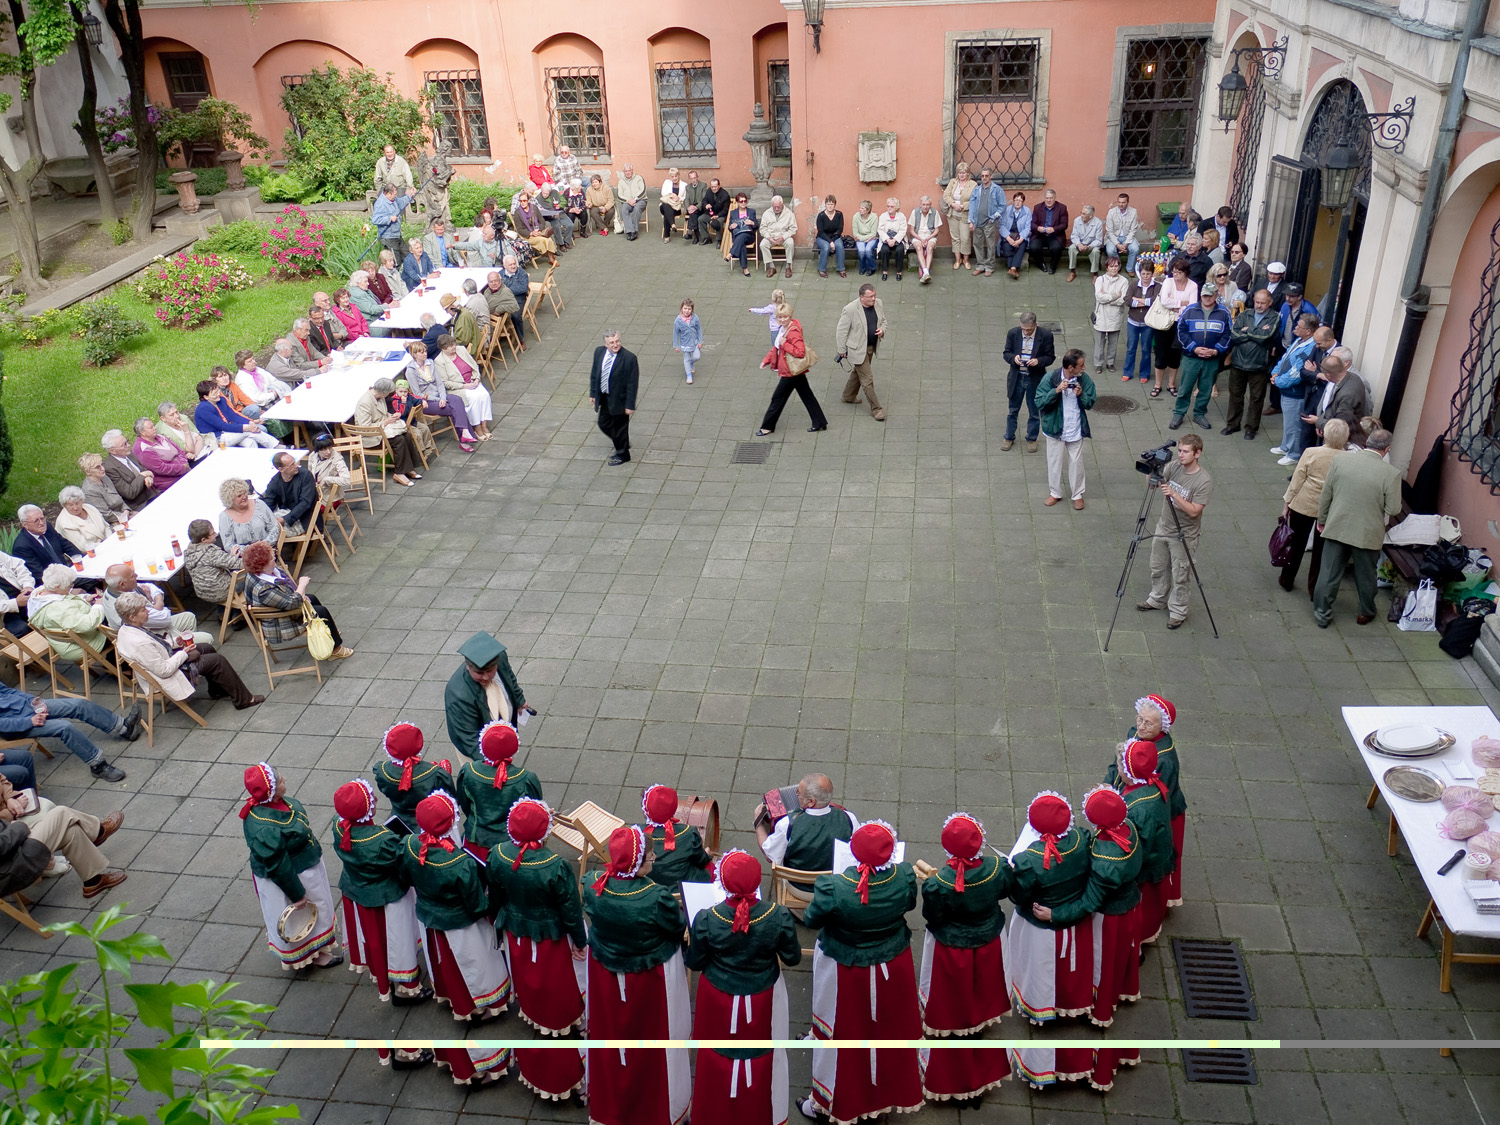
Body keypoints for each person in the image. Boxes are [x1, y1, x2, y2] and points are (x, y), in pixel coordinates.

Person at [800, 821, 923, 1123]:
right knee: (889, 1029)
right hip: (891, 963)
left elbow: (812, 918)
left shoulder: (834, 888)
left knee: (841, 1032)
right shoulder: (904, 876)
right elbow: (908, 903)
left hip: (846, 968)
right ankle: (887, 1092)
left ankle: (827, 1103)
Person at [584, 825, 691, 1125]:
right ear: (635, 863)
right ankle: (662, 1108)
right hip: (649, 976)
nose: (654, 859)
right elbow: (675, 926)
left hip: (606, 972)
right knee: (659, 1035)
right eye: (650, 857)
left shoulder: (594, 884)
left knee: (611, 1035)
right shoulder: (655, 897)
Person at [686, 849, 801, 1125]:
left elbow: (696, 960)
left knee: (715, 1057)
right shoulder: (778, 915)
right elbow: (792, 957)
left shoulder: (707, 918)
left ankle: (710, 1113)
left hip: (719, 996)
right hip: (764, 997)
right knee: (764, 1057)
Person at [487, 797, 587, 1101]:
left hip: (517, 932)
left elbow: (495, 894)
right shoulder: (554, 866)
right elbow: (570, 908)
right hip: (550, 937)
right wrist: (580, 941)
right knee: (557, 982)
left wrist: (497, 922)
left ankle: (536, 1016)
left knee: (528, 978)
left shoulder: (498, 854)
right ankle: (562, 1027)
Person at [918, 812, 1013, 1104]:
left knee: (951, 1000)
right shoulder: (997, 867)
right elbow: (1006, 890)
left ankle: (953, 1052)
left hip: (951, 948)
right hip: (987, 942)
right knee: (982, 992)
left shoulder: (938, 884)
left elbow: (932, 916)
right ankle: (977, 1032)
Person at [1030, 786, 1142, 1029]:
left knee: (1102, 963)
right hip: (1131, 904)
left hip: (1109, 917)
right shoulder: (1128, 827)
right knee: (1119, 957)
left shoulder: (1105, 862)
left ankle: (1098, 1009)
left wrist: (1056, 914)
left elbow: (1090, 902)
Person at [403, 791, 513, 1028]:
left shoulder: (411, 845)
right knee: (475, 964)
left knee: (446, 963)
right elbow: (475, 905)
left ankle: (455, 998)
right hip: (462, 924)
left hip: (431, 917)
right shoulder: (460, 863)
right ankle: (484, 1004)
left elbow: (406, 876)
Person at [330, 779, 428, 1003]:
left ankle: (383, 972)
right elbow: (401, 863)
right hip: (386, 898)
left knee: (373, 939)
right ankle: (405, 988)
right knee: (395, 940)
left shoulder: (339, 824)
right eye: (370, 799)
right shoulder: (382, 840)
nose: (374, 801)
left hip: (356, 891)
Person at [1005, 792, 1093, 1035]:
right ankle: (1072, 1003)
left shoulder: (1027, 861)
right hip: (1076, 921)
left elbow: (1019, 895)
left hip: (1039, 926)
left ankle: (1039, 1009)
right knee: (1070, 970)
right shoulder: (1081, 838)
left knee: (1039, 970)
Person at [240, 763, 342, 969]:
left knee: (315, 909)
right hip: (291, 877)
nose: (284, 779)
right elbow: (278, 865)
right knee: (300, 916)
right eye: (279, 781)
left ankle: (316, 950)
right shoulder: (263, 828)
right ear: (270, 790)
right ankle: (309, 955)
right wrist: (297, 894)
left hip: (303, 867)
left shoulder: (278, 804)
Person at [1314, 428, 1402, 628]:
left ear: (1367, 442)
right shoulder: (1391, 473)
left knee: (1328, 573)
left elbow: (1326, 494)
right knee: (1366, 575)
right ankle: (1365, 612)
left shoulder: (1340, 460)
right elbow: (1393, 508)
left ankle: (1322, 615)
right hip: (1367, 532)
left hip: (1337, 524)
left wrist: (1322, 519)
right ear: (1386, 449)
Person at [114, 592, 261, 709]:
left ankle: (217, 690)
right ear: (132, 617)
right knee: (218, 660)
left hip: (167, 660)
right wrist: (183, 653)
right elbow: (164, 671)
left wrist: (174, 644)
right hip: (169, 676)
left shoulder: (128, 627)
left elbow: (156, 648)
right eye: (143, 610)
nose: (148, 611)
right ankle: (245, 700)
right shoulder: (139, 643)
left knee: (205, 647)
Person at [1135, 434, 1212, 629]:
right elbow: (1151, 487)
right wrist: (1152, 470)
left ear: (1198, 453)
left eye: (1186, 452)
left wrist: (1174, 494)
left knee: (1181, 574)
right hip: (1164, 526)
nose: (1181, 455)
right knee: (1158, 566)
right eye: (1179, 450)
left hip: (1184, 534)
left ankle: (1178, 611)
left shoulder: (1203, 481)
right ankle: (1157, 599)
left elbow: (1195, 511)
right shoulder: (1174, 466)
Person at [0, 680, 136, 782]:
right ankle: (98, 766)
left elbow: (7, 691)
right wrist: (29, 721)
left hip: (28, 708)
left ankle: (123, 728)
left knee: (79, 705)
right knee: (65, 727)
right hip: (17, 726)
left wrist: (32, 701)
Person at [240, 540, 354, 659]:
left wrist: (301, 596)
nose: (275, 557)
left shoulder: (258, 572)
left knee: (312, 598)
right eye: (272, 557)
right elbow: (291, 603)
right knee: (320, 611)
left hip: (279, 607)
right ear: (263, 565)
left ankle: (328, 631)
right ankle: (335, 649)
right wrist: (302, 586)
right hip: (280, 623)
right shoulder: (263, 589)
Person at [1109, 740, 1173, 947]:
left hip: (1146, 865)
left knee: (1141, 908)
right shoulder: (1151, 786)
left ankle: (1135, 944)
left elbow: (1136, 845)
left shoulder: (1138, 807)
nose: (1117, 770)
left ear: (1128, 772)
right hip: (1156, 855)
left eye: (1119, 766)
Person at [0, 800, 126, 899]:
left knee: (71, 832)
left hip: (12, 849)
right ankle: (99, 831)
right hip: (11, 865)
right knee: (62, 813)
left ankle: (93, 882)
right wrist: (17, 827)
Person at [443, 631, 531, 760]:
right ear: (468, 667)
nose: (486, 677)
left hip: (500, 735)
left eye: (490, 671)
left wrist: (518, 699)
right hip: (477, 751)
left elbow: (509, 677)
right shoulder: (459, 695)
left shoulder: (500, 657)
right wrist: (492, 764)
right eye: (479, 673)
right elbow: (469, 740)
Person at [754, 772, 856, 881]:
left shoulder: (787, 824)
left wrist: (758, 823)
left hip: (798, 886)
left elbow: (769, 855)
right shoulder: (849, 818)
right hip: (834, 883)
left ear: (811, 802)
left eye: (798, 793)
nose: (796, 793)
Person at [456, 721, 541, 850]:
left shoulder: (468, 772)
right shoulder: (527, 779)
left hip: (476, 842)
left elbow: (465, 805)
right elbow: (534, 812)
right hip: (511, 845)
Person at [1036, 349, 1097, 511]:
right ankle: (1055, 492)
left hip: (1075, 428)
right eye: (1081, 365)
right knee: (1054, 462)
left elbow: (1090, 403)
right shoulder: (1051, 378)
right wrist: (1055, 391)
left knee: (1077, 463)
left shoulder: (1084, 380)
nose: (1083, 368)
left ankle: (1077, 495)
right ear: (1071, 367)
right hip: (1054, 428)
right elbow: (1039, 402)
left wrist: (1081, 394)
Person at [756, 302, 828, 437]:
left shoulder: (792, 332)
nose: (782, 319)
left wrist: (785, 344)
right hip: (794, 370)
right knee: (807, 395)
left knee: (777, 398)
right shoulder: (783, 328)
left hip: (790, 371)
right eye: (779, 317)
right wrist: (766, 360)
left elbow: (799, 352)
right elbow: (776, 348)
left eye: (785, 317)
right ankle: (819, 421)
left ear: (790, 316)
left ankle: (767, 427)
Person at [1170, 281, 1232, 431]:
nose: (1207, 298)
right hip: (1192, 358)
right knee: (1185, 388)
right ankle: (1179, 413)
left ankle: (1199, 414)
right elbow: (1181, 331)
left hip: (1212, 359)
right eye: (1205, 295)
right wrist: (1194, 348)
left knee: (1205, 389)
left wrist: (1216, 350)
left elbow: (1228, 335)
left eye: (1210, 295)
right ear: (1201, 295)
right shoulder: (1189, 310)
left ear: (1216, 295)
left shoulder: (1224, 313)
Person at [101, 562, 208, 643]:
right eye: (133, 576)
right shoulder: (129, 608)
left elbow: (150, 587)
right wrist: (156, 604)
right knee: (207, 638)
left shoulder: (113, 589)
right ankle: (185, 651)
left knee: (188, 617)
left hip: (153, 625)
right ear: (122, 584)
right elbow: (164, 619)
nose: (137, 576)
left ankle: (190, 650)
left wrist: (157, 603)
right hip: (154, 637)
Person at [373, 720, 456, 825]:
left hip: (398, 818)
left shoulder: (382, 770)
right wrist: (444, 774)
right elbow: (450, 798)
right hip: (430, 819)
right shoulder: (435, 774)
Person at [1268, 311, 1323, 466]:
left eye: (1298, 326)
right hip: (1286, 390)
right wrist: (1275, 372)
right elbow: (1285, 358)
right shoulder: (1299, 340)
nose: (1294, 328)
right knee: (1288, 421)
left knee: (1294, 425)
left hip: (1295, 393)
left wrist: (1278, 381)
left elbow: (1296, 373)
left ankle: (1293, 454)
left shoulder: (1309, 347)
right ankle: (1285, 446)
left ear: (1308, 331)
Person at [28, 564, 110, 666]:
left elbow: (67, 603)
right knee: (115, 627)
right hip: (83, 645)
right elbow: (87, 625)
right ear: (57, 587)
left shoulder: (39, 594)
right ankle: (122, 669)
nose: (72, 586)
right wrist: (98, 606)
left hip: (68, 643)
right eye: (69, 585)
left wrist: (85, 599)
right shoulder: (58, 609)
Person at [639, 783, 714, 894]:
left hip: (648, 888)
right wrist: (707, 855)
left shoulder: (636, 834)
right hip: (683, 888)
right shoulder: (689, 832)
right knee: (710, 867)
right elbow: (701, 860)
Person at [1224, 289, 1278, 438]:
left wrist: (1247, 330)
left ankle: (1251, 428)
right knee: (1235, 395)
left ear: (1270, 303)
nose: (1259, 305)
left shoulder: (1274, 317)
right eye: (1256, 302)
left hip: (1259, 364)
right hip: (1238, 362)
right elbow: (1234, 335)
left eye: (1262, 303)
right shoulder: (1244, 314)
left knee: (1256, 398)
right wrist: (1258, 331)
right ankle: (1232, 425)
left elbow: (1266, 337)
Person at [406, 341, 480, 450]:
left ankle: (464, 433)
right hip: (427, 401)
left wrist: (443, 397)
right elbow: (417, 394)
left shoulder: (430, 363)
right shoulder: (410, 371)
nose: (425, 354)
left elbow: (440, 383)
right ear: (415, 354)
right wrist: (437, 399)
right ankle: (464, 437)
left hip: (440, 395)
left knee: (457, 400)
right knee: (454, 409)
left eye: (425, 351)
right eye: (421, 352)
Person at [354, 377, 423, 487]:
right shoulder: (365, 403)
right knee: (399, 440)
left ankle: (408, 468)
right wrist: (385, 422)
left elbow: (384, 414)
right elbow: (365, 427)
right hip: (371, 436)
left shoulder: (379, 397)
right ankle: (399, 473)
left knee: (407, 435)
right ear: (383, 392)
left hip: (383, 430)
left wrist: (392, 416)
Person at [1002, 311, 1055, 452]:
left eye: (1029, 330)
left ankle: (1031, 439)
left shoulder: (1045, 336)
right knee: (1013, 410)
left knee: (1034, 411)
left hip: (1034, 379)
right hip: (1017, 377)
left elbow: (1050, 357)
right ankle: (1008, 437)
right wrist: (1013, 358)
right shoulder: (1013, 334)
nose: (1025, 332)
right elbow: (1006, 353)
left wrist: (1038, 361)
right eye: (1023, 329)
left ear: (1035, 325)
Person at [835, 283, 888, 423]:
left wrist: (882, 330)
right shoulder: (850, 309)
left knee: (858, 372)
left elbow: (883, 321)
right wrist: (841, 350)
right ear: (862, 297)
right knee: (867, 380)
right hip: (857, 349)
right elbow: (841, 331)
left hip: (870, 347)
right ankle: (877, 409)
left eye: (875, 295)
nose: (874, 299)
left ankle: (848, 395)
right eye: (870, 297)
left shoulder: (879, 304)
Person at [588, 329, 640, 466]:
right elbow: (595, 374)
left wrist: (630, 405)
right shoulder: (599, 352)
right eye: (611, 343)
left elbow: (632, 384)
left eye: (617, 341)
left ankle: (623, 455)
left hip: (620, 400)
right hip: (604, 397)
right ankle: (622, 442)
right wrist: (593, 393)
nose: (615, 345)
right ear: (605, 344)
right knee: (603, 423)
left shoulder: (629, 358)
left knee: (620, 428)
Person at [11, 506, 95, 588]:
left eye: (42, 518)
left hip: (67, 570)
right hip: (54, 584)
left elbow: (65, 544)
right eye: (36, 521)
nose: (41, 523)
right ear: (25, 524)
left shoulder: (47, 527)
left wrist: (83, 560)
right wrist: (67, 590)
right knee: (94, 580)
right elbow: (39, 575)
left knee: (95, 573)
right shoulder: (22, 547)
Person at [433, 334, 495, 441]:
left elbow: (474, 365)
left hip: (472, 381)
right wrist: (464, 386)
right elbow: (445, 382)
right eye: (450, 346)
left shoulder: (461, 350)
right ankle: (477, 426)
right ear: (443, 349)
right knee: (474, 398)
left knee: (485, 395)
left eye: (453, 344)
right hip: (459, 388)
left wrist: (476, 378)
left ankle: (484, 425)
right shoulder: (439, 361)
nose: (453, 347)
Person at [1153, 258, 1198, 398]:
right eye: (1174, 272)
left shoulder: (1193, 285)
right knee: (1160, 354)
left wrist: (1175, 305)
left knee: (1175, 355)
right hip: (1164, 323)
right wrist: (1181, 303)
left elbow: (1191, 305)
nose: (1175, 274)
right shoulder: (1168, 281)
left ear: (1186, 273)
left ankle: (1171, 384)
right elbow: (1164, 301)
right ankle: (1157, 384)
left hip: (1181, 324)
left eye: (1179, 272)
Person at [1304, 353, 1371, 438]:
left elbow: (1340, 426)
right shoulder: (1353, 377)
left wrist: (1318, 421)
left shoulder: (1347, 395)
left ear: (1328, 375)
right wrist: (1321, 423)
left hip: (1342, 438)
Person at [182, 519, 241, 605]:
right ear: (203, 540)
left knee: (219, 575)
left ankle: (224, 614)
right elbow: (240, 564)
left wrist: (230, 558)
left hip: (204, 592)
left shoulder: (189, 552)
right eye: (212, 533)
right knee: (248, 576)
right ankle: (242, 612)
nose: (216, 534)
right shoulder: (211, 552)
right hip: (222, 593)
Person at [261, 451, 319, 536]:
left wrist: (284, 519)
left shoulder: (305, 476)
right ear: (281, 469)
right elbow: (269, 502)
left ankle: (270, 548)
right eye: (291, 465)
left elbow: (305, 503)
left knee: (270, 531)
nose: (296, 466)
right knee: (260, 526)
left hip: (304, 518)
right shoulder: (276, 481)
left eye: (294, 463)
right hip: (285, 513)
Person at [216, 478, 280, 555]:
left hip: (267, 551)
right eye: (239, 496)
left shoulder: (259, 504)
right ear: (229, 500)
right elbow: (228, 545)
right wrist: (250, 550)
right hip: (244, 557)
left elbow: (274, 527)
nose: (244, 497)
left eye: (244, 493)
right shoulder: (224, 517)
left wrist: (264, 544)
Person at [1121, 260, 1158, 386]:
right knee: (1131, 348)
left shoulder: (1157, 286)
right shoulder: (1133, 285)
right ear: (1139, 274)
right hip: (1133, 321)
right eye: (1143, 274)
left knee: (1146, 349)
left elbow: (1156, 301)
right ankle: (1127, 372)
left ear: (1152, 274)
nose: (1145, 277)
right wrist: (1145, 302)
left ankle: (1144, 374)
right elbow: (1127, 300)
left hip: (1148, 323)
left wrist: (1137, 300)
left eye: (1148, 274)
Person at [131, 417, 190, 490]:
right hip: (169, 482)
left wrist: (184, 463)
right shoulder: (143, 449)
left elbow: (179, 451)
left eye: (153, 425)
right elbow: (161, 469)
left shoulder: (161, 437)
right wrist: (182, 468)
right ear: (143, 433)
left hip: (184, 470)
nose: (154, 428)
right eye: (151, 427)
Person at [1092, 256, 1128, 373]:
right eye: (1111, 266)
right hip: (1101, 315)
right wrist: (1115, 295)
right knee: (1099, 342)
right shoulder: (1100, 280)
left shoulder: (1124, 281)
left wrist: (1107, 296)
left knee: (1113, 342)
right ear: (1106, 267)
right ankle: (1098, 363)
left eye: (1116, 266)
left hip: (1115, 315)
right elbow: (1099, 297)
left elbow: (1123, 299)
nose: (1114, 268)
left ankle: (1110, 363)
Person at [100, 429, 156, 505]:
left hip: (152, 494)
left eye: (127, 441)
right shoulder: (109, 468)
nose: (128, 445)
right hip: (139, 505)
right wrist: (142, 476)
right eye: (124, 445)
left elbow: (142, 469)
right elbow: (129, 493)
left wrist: (148, 477)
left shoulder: (129, 454)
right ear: (113, 451)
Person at [967, 169, 1005, 276]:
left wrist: (993, 217)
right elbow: (972, 205)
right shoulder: (976, 190)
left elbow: (1002, 206)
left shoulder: (997, 190)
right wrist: (970, 221)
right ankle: (980, 265)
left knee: (990, 245)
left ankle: (989, 266)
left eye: (986, 175)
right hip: (977, 222)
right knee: (977, 244)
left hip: (989, 222)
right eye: (982, 176)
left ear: (990, 176)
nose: (984, 178)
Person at [78, 453, 131, 527]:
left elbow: (119, 498)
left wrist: (126, 511)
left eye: (102, 465)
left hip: (124, 514)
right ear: (88, 472)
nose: (103, 468)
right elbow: (106, 515)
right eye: (97, 467)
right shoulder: (89, 490)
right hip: (113, 523)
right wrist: (125, 517)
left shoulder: (104, 478)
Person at [54, 487, 110, 553]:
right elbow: (83, 547)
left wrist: (110, 540)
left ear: (82, 501)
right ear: (64, 505)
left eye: (77, 503)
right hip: (91, 553)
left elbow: (106, 526)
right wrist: (106, 546)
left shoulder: (89, 508)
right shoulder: (64, 523)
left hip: (108, 544)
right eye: (70, 505)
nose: (75, 508)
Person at [941, 163, 975, 271]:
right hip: (952, 215)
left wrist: (963, 206)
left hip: (965, 215)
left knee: (965, 238)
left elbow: (975, 200)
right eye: (960, 172)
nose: (961, 175)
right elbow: (945, 195)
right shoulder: (953, 182)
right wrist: (953, 204)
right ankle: (957, 260)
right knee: (955, 238)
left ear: (968, 173)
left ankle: (966, 260)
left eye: (964, 173)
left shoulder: (973, 184)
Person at [1029, 188, 1068, 275]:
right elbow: (1032, 223)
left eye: (1051, 198)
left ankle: (1053, 266)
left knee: (1056, 248)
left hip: (1055, 235)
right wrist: (1038, 228)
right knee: (1033, 247)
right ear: (1044, 198)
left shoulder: (1062, 208)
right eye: (1047, 198)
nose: (1049, 200)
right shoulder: (1038, 207)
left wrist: (1054, 229)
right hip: (1040, 234)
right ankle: (1041, 264)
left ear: (1055, 198)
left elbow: (1064, 224)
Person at [760, 194, 798, 278]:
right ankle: (772, 266)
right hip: (771, 236)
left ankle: (788, 266)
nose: (776, 209)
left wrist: (784, 237)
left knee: (790, 243)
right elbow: (762, 229)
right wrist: (768, 237)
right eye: (774, 207)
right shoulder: (767, 213)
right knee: (763, 244)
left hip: (784, 236)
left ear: (782, 204)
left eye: (778, 207)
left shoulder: (789, 213)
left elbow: (793, 229)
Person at [512, 190, 558, 257]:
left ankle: (551, 257)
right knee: (542, 240)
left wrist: (539, 230)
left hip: (537, 231)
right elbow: (519, 229)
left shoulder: (534, 208)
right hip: (527, 236)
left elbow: (542, 220)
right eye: (520, 201)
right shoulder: (517, 212)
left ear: (528, 201)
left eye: (524, 200)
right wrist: (531, 233)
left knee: (548, 239)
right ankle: (551, 258)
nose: (522, 203)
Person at [372, 182, 413, 258]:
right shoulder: (380, 204)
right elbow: (375, 220)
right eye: (394, 194)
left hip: (397, 234)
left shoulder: (394, 200)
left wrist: (410, 196)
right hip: (388, 237)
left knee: (408, 256)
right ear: (388, 194)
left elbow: (401, 203)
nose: (396, 196)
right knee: (396, 260)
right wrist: (389, 218)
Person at [0, 548, 34, 637]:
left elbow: (18, 565)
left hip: (25, 596)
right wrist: (16, 603)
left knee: (47, 612)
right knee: (22, 630)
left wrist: (27, 585)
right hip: (5, 614)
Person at [497, 255, 530, 346]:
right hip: (503, 299)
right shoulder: (500, 274)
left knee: (516, 316)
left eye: (514, 264)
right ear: (505, 266)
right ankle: (496, 336)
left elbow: (523, 289)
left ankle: (520, 339)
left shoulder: (522, 273)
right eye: (510, 265)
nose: (513, 266)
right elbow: (497, 288)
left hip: (517, 299)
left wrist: (506, 290)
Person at [908, 195, 942, 283]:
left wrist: (928, 238)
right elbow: (911, 230)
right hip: (917, 236)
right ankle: (926, 272)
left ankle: (924, 271)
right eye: (923, 204)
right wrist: (921, 239)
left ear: (930, 205)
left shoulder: (935, 212)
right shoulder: (914, 212)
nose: (925, 207)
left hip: (930, 235)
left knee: (929, 248)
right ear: (920, 204)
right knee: (919, 248)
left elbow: (937, 230)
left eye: (927, 204)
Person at [997, 190, 1031, 279]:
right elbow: (1002, 226)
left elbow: (1028, 228)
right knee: (1007, 249)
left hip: (1020, 236)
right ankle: (1014, 269)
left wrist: (1020, 240)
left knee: (1021, 247)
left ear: (1023, 202)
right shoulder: (1007, 210)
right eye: (1016, 200)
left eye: (1020, 201)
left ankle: (1012, 268)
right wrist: (1009, 238)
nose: (1018, 202)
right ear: (1013, 201)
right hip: (1008, 236)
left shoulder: (1027, 211)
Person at [1068, 204, 1104, 282]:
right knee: (1071, 248)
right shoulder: (1077, 220)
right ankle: (1072, 270)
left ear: (1090, 216)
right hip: (1080, 244)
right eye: (1081, 212)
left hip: (1091, 245)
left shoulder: (1098, 223)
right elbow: (1074, 236)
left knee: (1096, 251)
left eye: (1084, 214)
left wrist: (1089, 246)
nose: (1081, 215)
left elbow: (1098, 240)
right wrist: (1079, 244)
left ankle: (1095, 273)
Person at [1105, 192, 1141, 272]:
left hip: (1127, 237)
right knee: (1110, 250)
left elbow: (1133, 230)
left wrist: (1126, 244)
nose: (1121, 204)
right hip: (1114, 237)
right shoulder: (1111, 212)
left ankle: (1130, 269)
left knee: (1135, 249)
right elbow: (1109, 231)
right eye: (1119, 202)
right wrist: (1117, 244)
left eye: (1123, 202)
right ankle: (1117, 266)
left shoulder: (1133, 212)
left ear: (1127, 202)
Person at [814, 194, 846, 279]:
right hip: (822, 237)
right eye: (828, 204)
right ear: (825, 205)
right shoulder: (821, 216)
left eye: (832, 204)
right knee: (826, 247)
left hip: (835, 236)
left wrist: (833, 240)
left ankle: (841, 269)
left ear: (835, 205)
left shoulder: (839, 214)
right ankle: (821, 269)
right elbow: (820, 231)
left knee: (839, 246)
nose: (830, 206)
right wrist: (830, 242)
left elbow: (840, 229)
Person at [726, 193, 759, 275]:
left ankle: (731, 253)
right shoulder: (733, 213)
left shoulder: (751, 212)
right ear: (737, 202)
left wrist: (752, 223)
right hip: (738, 237)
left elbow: (756, 226)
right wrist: (731, 226)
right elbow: (729, 228)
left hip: (749, 236)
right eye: (741, 201)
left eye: (745, 201)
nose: (743, 203)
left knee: (743, 236)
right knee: (741, 245)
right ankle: (745, 268)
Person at [875, 197, 906, 281]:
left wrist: (895, 240)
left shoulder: (901, 216)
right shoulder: (883, 216)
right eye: (888, 206)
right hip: (886, 240)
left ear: (897, 207)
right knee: (885, 250)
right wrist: (888, 239)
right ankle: (885, 271)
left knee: (900, 250)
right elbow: (880, 229)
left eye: (892, 206)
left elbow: (903, 230)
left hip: (898, 240)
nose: (889, 208)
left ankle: (899, 272)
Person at [672, 298, 702, 384]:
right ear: (681, 308)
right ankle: (689, 375)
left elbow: (699, 329)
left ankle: (691, 363)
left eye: (689, 309)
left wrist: (700, 341)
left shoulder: (695, 318)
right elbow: (676, 334)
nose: (687, 311)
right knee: (686, 359)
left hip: (695, 342)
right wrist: (676, 345)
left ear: (692, 309)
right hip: (685, 343)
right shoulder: (678, 321)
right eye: (685, 308)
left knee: (697, 357)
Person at [615, 163, 647, 239]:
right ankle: (629, 231)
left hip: (640, 200)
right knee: (624, 209)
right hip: (627, 201)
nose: (628, 172)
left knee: (637, 208)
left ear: (632, 171)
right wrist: (628, 200)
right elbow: (619, 195)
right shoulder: (621, 181)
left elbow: (643, 190)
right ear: (623, 172)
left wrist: (635, 199)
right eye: (626, 171)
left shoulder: (639, 178)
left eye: (629, 170)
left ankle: (635, 231)